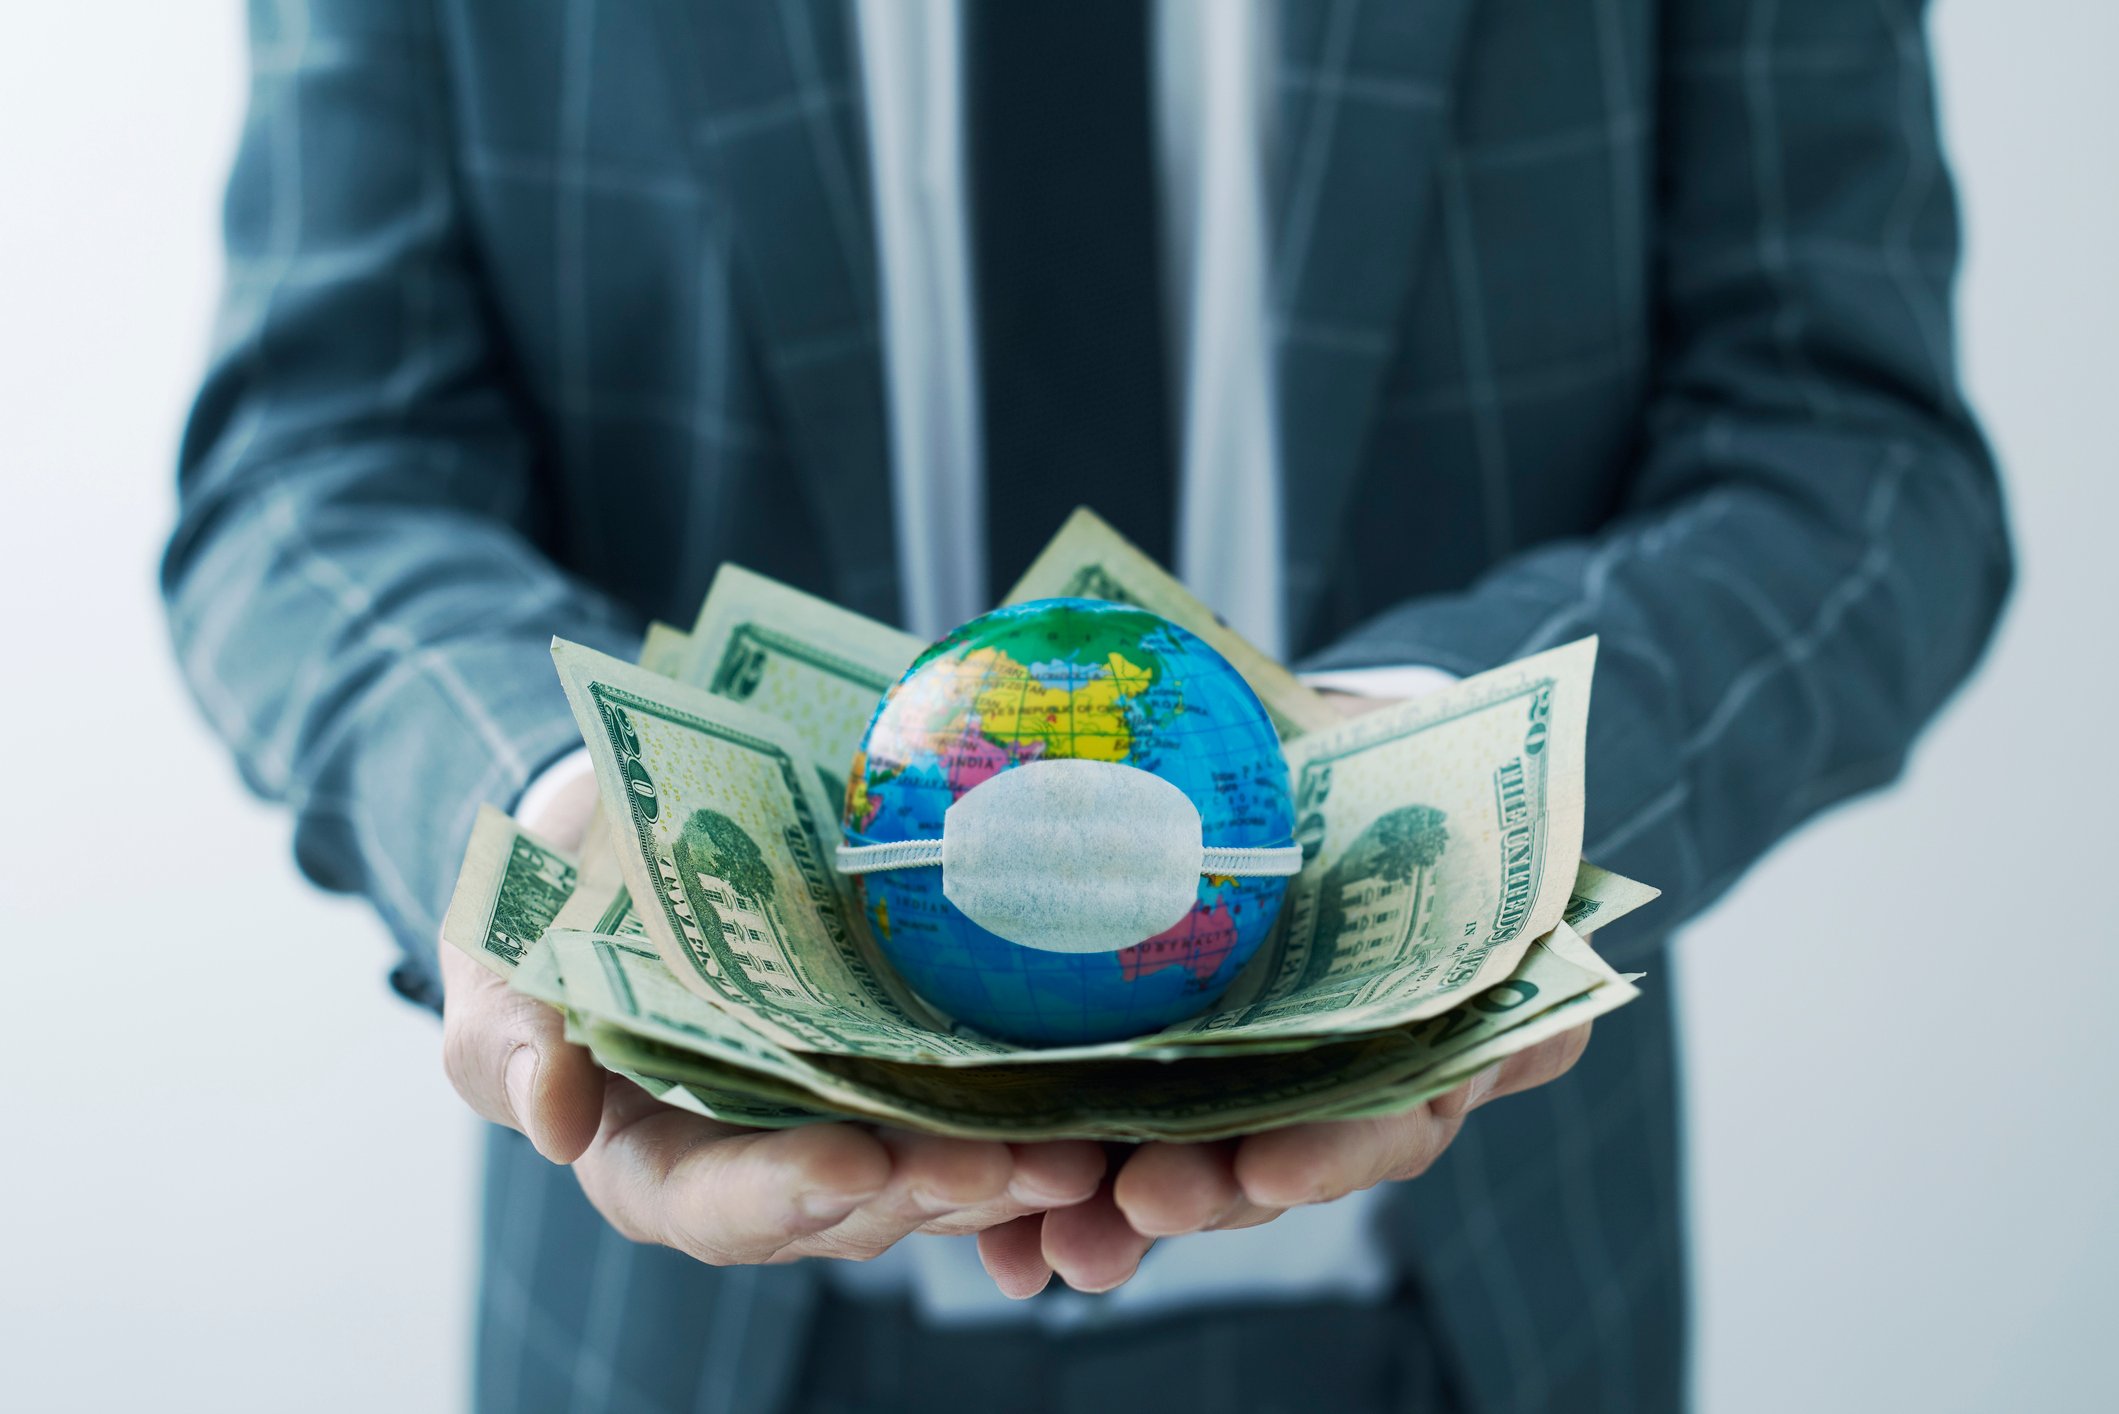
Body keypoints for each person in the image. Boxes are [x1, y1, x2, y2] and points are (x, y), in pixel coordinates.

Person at [162, 1, 2010, 1410]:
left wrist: (1446, 762)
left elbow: (1849, 448)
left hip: (1472, 1302)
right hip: (694, 1326)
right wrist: (561, 808)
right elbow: (313, 473)